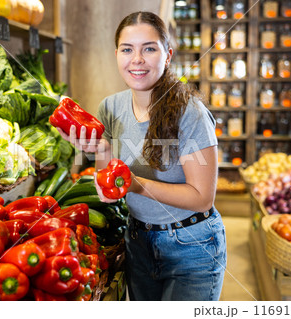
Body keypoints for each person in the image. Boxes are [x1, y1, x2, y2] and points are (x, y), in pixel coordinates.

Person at [56, 11, 226, 301]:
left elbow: (202, 197)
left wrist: (136, 185)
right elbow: (110, 189)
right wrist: (98, 150)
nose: (137, 59)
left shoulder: (190, 113)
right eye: (127, 49)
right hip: (138, 241)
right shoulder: (110, 107)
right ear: (117, 54)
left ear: (167, 54)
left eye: (149, 48)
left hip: (191, 245)